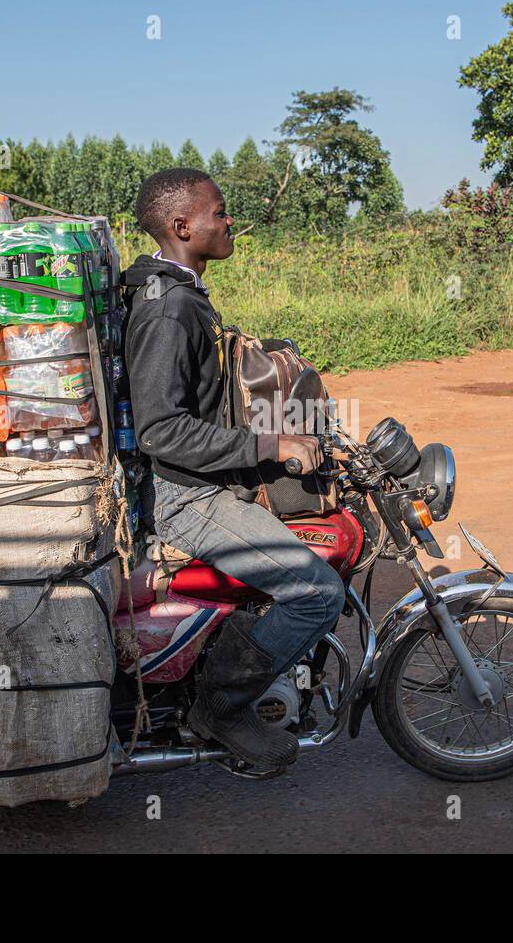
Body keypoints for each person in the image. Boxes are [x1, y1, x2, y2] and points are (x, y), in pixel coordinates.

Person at [123, 168, 346, 768]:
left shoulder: (180, 291)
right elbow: (160, 429)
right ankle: (220, 709)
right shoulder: (167, 310)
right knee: (316, 590)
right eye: (218, 213)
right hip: (186, 498)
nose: (228, 223)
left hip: (203, 481)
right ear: (181, 226)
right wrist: (270, 448)